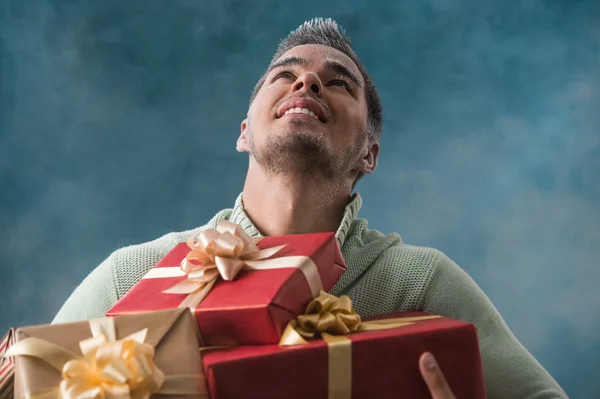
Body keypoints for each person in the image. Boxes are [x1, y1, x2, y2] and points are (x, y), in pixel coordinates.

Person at [53, 18, 568, 399]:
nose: (308, 83)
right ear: (244, 132)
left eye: (340, 83)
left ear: (369, 154)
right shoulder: (135, 276)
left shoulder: (419, 283)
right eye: (285, 75)